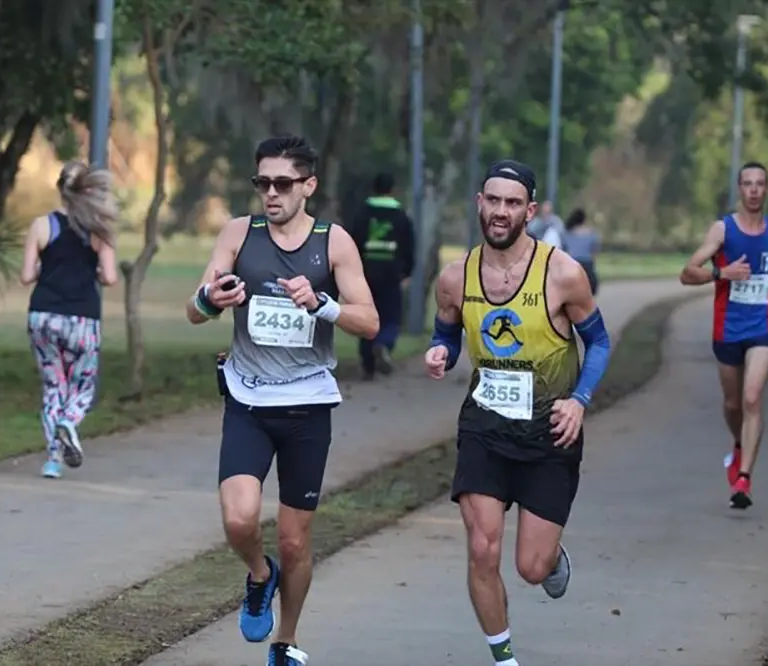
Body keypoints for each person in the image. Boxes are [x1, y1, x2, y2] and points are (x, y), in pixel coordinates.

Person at [184, 134, 379, 666]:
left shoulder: (332, 241)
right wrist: (211, 297)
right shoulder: (238, 234)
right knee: (239, 520)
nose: (271, 193)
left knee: (295, 541)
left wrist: (323, 304)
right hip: (248, 400)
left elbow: (370, 321)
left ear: (308, 186)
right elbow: (195, 309)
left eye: (283, 183)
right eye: (262, 183)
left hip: (307, 408)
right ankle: (258, 575)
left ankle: (286, 643)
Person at [425, 160, 611, 666]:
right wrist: (440, 351)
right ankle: (504, 658)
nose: (501, 212)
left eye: (513, 203)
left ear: (529, 210)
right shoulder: (454, 277)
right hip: (485, 426)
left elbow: (598, 342)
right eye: (493, 200)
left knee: (530, 567)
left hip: (550, 429)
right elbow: (446, 329)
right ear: (479, 203)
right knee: (483, 550)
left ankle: (550, 558)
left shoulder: (563, 274)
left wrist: (579, 400)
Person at [679, 161, 768, 510]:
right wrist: (722, 272)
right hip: (728, 325)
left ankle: (743, 478)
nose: (754, 189)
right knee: (733, 404)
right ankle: (740, 443)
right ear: (740, 189)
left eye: (760, 183)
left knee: (753, 396)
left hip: (764, 324)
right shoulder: (723, 231)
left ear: (767, 189)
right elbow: (687, 273)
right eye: (748, 183)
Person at [20, 160, 119, 479]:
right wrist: (95, 271)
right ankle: (69, 422)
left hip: (43, 316)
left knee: (53, 388)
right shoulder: (100, 229)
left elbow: (27, 275)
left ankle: (53, 460)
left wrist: (45, 270)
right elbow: (110, 277)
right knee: (82, 386)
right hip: (82, 320)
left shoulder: (41, 225)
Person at [348, 171, 415, 379]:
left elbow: (352, 243)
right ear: (393, 190)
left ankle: (368, 365)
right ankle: (383, 343)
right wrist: (407, 271)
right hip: (391, 273)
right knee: (390, 316)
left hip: (365, 273)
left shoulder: (362, 213)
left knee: (366, 314)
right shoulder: (401, 216)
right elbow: (409, 246)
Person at [562, 207, 601, 295]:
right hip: (587, 265)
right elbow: (594, 252)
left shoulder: (568, 233)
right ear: (584, 220)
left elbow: (564, 250)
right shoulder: (591, 233)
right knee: (591, 290)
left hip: (573, 264)